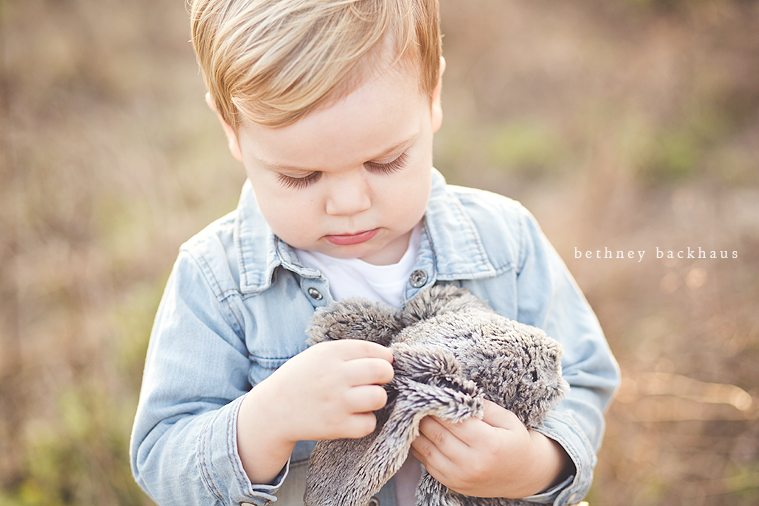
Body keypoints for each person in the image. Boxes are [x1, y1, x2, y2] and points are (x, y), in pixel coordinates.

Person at [129, 1, 620, 505]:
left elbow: (582, 376)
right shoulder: (218, 280)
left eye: (384, 162)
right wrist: (265, 421)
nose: (349, 204)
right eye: (301, 176)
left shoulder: (503, 242)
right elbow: (162, 460)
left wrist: (535, 465)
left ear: (433, 97)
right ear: (231, 127)